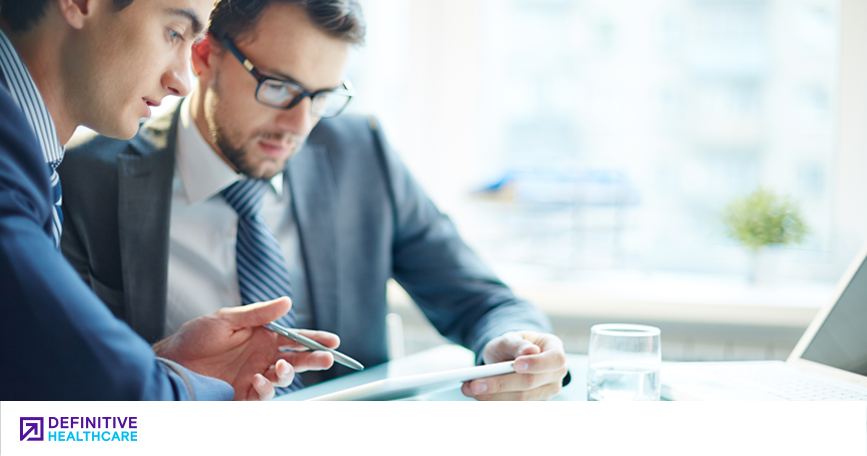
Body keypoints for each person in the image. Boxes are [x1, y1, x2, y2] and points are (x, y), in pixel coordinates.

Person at [60, 0, 570, 400]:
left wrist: (518, 344)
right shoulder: (88, 178)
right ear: (204, 56)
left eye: (323, 96)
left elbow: (481, 298)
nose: (298, 126)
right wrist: (166, 371)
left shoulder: (359, 154)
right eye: (279, 88)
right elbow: (59, 384)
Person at [0, 0, 340, 401]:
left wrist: (162, 366)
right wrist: (178, 389)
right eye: (174, 32)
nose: (183, 82)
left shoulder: (32, 159)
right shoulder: (25, 173)